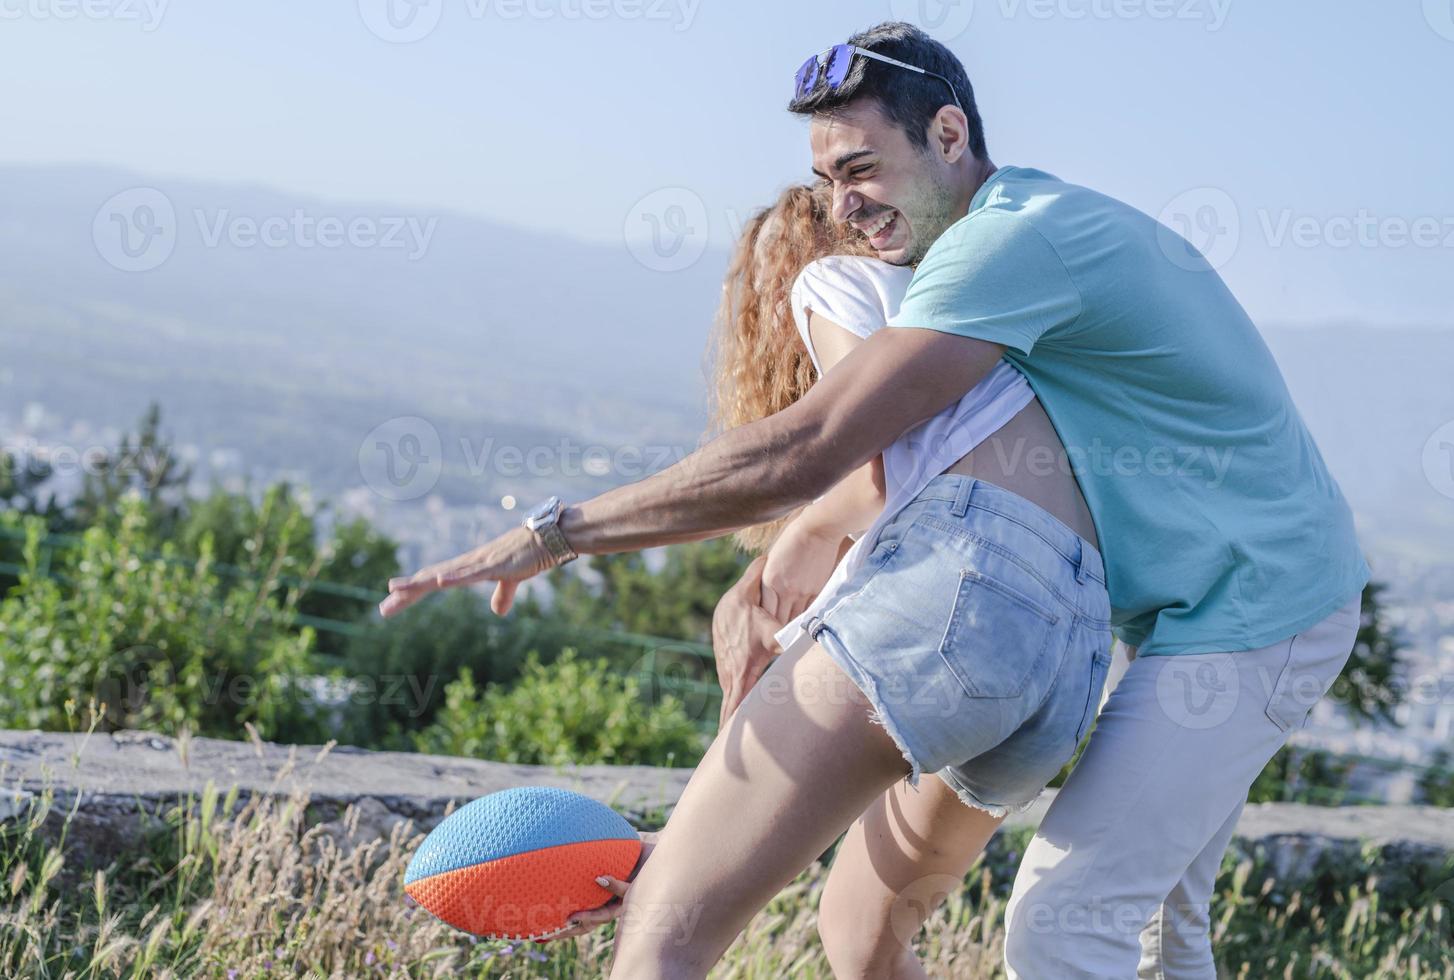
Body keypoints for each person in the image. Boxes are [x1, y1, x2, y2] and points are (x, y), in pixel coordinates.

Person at [379, 21, 1368, 980]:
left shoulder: (1010, 243)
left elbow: (813, 454)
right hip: (1181, 609)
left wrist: (555, 533)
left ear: (948, 134)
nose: (841, 206)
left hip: (1254, 613)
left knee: (1070, 923)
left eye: (858, 168)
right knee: (1157, 930)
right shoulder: (1006, 235)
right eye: (824, 181)